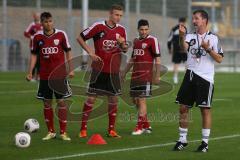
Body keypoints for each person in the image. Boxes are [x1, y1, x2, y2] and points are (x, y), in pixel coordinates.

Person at [173, 10, 223, 152]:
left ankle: (205, 143)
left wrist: (208, 49)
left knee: (205, 110)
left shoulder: (213, 38)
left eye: (197, 18)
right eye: (193, 19)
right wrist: (182, 36)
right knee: (183, 108)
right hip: (190, 75)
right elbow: (184, 49)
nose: (194, 21)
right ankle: (183, 139)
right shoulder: (190, 36)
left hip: (205, 78)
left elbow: (219, 59)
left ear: (204, 20)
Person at [77, 4, 128, 138]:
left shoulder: (122, 30)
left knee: (113, 99)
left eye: (121, 15)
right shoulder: (98, 26)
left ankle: (111, 130)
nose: (118, 18)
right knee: (91, 99)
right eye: (116, 15)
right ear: (110, 14)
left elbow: (125, 49)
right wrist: (90, 52)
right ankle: (83, 129)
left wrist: (123, 43)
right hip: (98, 69)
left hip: (113, 71)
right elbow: (80, 37)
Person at [26, 12, 74, 141]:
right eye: (46, 22)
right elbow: (34, 55)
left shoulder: (61, 34)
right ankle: (51, 132)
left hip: (59, 75)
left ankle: (63, 132)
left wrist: (71, 69)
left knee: (61, 102)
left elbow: (68, 51)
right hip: (45, 76)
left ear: (53, 22)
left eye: (50, 21)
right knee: (47, 103)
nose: (48, 24)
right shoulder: (37, 37)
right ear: (41, 23)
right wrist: (30, 71)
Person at [121, 19, 161, 135]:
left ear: (148, 29)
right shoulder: (136, 41)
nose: (144, 31)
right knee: (135, 101)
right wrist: (124, 72)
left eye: (146, 29)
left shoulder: (152, 40)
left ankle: (139, 127)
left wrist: (157, 74)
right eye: (142, 29)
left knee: (142, 100)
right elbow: (133, 59)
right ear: (138, 30)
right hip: (135, 76)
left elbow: (158, 58)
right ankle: (147, 125)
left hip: (146, 76)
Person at [167, 17, 187, 84]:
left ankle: (186, 78)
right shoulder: (174, 29)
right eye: (182, 22)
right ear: (179, 22)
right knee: (176, 63)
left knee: (187, 64)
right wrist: (169, 48)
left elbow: (186, 39)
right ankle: (175, 77)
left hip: (184, 49)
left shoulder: (185, 29)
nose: (182, 24)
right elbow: (169, 39)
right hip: (176, 49)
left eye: (183, 23)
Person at [24, 12, 43, 82]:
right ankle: (31, 76)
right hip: (34, 46)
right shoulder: (32, 25)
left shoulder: (42, 24)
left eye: (38, 16)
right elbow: (26, 33)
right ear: (34, 17)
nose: (37, 17)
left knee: (40, 61)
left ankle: (38, 76)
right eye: (36, 16)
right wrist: (31, 37)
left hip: (42, 46)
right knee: (34, 61)